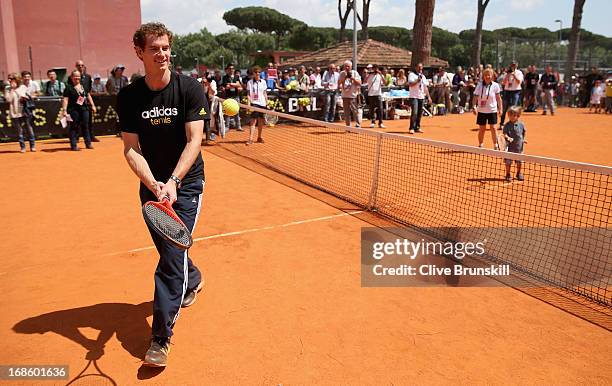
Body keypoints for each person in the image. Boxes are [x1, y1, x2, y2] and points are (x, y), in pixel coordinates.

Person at [117, 22, 207, 367]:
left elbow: (194, 141)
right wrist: (154, 183)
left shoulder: (189, 89)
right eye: (154, 48)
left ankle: (160, 338)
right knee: (172, 252)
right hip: (152, 187)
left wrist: (172, 181)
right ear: (139, 52)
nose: (162, 54)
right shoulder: (129, 96)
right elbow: (130, 149)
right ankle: (193, 278)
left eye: (166, 47)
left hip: (186, 185)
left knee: (170, 255)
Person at [62, 70, 97, 151]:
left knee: (85, 125)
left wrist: (93, 105)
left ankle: (88, 143)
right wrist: (64, 110)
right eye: (75, 76)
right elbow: (65, 99)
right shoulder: (68, 88)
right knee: (74, 127)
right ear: (71, 77)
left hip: (84, 109)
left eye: (78, 76)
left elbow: (88, 95)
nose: (77, 78)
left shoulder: (83, 86)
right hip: (73, 110)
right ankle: (73, 145)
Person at [3, 73, 36, 152]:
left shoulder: (23, 87)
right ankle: (22, 147)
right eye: (9, 79)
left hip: (24, 111)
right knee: (19, 129)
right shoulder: (7, 89)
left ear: (16, 79)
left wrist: (24, 98)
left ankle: (32, 145)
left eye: (11, 78)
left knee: (29, 127)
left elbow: (27, 96)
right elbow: (9, 100)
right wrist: (12, 89)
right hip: (14, 112)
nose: (9, 80)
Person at [472, 68, 503, 149]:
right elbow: (475, 96)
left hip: (492, 110)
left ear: (492, 76)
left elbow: (499, 98)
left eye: (489, 75)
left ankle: (495, 145)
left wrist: (500, 109)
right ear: (483, 76)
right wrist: (474, 106)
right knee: (482, 128)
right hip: (482, 110)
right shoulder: (479, 85)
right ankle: (481, 144)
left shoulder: (495, 85)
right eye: (485, 75)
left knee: (493, 128)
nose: (487, 77)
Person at [502, 106, 527, 182]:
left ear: (518, 116)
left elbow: (524, 132)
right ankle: (508, 174)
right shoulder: (506, 125)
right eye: (509, 115)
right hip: (509, 148)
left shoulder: (521, 125)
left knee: (519, 162)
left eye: (513, 115)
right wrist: (508, 138)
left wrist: (523, 139)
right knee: (508, 162)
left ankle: (519, 173)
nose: (510, 117)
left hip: (519, 148)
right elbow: (504, 134)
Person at [245, 66, 268, 145]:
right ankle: (250, 139)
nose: (257, 74)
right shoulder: (249, 82)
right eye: (256, 72)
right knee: (253, 121)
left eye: (259, 72)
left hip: (262, 104)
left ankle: (259, 137)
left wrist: (267, 102)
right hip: (254, 103)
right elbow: (248, 94)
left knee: (261, 121)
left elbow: (264, 93)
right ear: (253, 73)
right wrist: (249, 104)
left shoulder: (264, 82)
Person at [407, 62, 431, 134]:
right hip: (414, 96)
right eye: (419, 67)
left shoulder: (423, 76)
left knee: (420, 113)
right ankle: (411, 127)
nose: (421, 69)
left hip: (421, 96)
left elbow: (425, 87)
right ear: (416, 67)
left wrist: (429, 97)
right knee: (414, 112)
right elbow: (410, 84)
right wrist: (417, 80)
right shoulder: (411, 75)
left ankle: (417, 127)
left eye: (421, 67)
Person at [338, 60, 362, 128]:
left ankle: (358, 125)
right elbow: (339, 83)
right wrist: (344, 78)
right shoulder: (342, 73)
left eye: (348, 66)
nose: (347, 68)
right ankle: (348, 126)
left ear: (351, 67)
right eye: (345, 66)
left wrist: (352, 78)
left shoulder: (355, 73)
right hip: (345, 95)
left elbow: (360, 83)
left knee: (355, 111)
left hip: (353, 95)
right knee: (346, 112)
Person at [500, 61, 523, 128]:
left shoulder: (519, 72)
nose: (513, 66)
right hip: (507, 91)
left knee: (514, 108)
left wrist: (514, 75)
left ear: (517, 65)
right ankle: (502, 123)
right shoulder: (507, 73)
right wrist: (507, 75)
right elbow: (503, 83)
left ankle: (514, 123)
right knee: (504, 108)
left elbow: (519, 82)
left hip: (516, 91)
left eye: (514, 65)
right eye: (512, 65)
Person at [221, 63, 242, 131]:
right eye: (230, 69)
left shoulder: (237, 77)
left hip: (236, 96)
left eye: (232, 69)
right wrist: (235, 85)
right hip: (228, 97)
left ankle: (238, 126)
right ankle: (227, 127)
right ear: (227, 70)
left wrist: (231, 84)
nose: (231, 70)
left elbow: (239, 85)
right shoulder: (225, 77)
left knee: (237, 111)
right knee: (227, 112)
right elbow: (226, 86)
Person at [366, 64, 385, 128]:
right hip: (371, 94)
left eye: (376, 68)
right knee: (371, 108)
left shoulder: (380, 75)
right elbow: (364, 81)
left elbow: (385, 83)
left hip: (378, 94)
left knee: (380, 108)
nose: (375, 70)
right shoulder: (369, 75)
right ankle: (373, 121)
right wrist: (369, 74)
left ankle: (380, 122)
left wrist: (381, 74)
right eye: (374, 68)